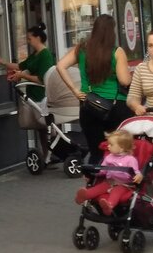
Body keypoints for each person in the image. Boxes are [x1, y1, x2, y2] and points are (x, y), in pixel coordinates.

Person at [56, 13, 132, 164]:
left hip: (89, 106)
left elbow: (60, 66)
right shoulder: (117, 52)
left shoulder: (82, 49)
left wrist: (75, 90)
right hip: (115, 107)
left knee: (96, 152)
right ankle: (116, 177)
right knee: (119, 152)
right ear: (112, 32)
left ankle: (93, 176)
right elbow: (124, 81)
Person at [73, 129, 143, 215]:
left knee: (116, 192)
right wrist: (91, 175)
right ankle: (84, 196)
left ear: (121, 148)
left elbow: (136, 172)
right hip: (109, 182)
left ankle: (109, 205)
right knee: (98, 188)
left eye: (111, 144)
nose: (108, 146)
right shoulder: (109, 157)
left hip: (124, 185)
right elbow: (102, 171)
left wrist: (138, 176)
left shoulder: (130, 160)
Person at [0, 23, 55, 102]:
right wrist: (4, 63)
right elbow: (20, 66)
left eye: (29, 39)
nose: (28, 41)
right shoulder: (35, 54)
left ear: (38, 38)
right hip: (31, 97)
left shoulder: (45, 56)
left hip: (41, 98)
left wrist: (22, 75)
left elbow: (41, 80)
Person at [127, 27, 153, 116]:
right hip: (151, 121)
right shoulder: (141, 69)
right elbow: (132, 96)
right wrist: (136, 106)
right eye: (151, 45)